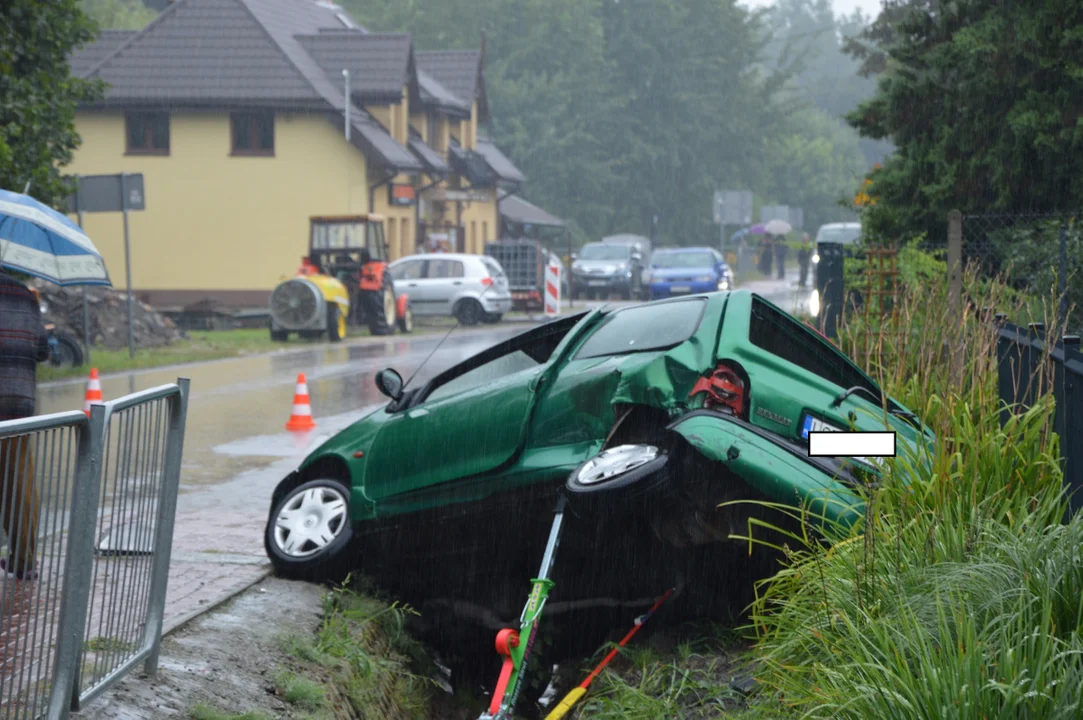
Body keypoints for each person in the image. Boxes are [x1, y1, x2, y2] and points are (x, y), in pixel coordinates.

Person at [0, 271, 48, 580]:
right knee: (19, 485)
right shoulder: (23, 293)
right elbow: (43, 350)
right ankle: (24, 561)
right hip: (18, 402)